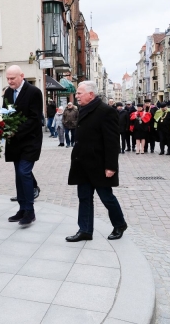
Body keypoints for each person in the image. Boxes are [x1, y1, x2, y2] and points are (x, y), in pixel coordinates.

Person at [66, 81, 127, 242]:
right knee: (84, 197)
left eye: (79, 93)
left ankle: (119, 224)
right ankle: (85, 230)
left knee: (106, 197)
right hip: (82, 163)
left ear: (90, 94)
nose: (76, 96)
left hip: (99, 164)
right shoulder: (83, 109)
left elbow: (113, 141)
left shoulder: (106, 111)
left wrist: (111, 166)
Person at [4, 65, 43, 226]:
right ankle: (22, 209)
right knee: (18, 175)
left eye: (12, 78)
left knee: (24, 172)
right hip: (14, 143)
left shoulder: (34, 92)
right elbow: (5, 113)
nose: (10, 81)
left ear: (22, 76)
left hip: (30, 140)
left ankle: (30, 211)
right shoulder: (7, 92)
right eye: (7, 78)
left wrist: (15, 130)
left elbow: (35, 119)